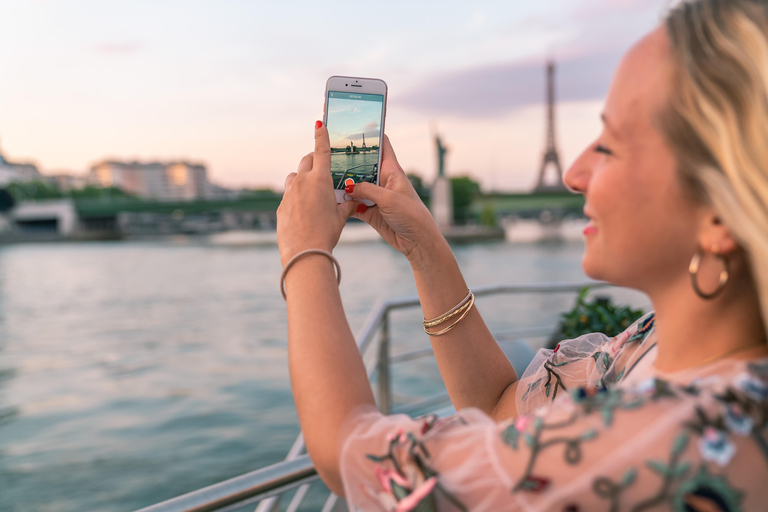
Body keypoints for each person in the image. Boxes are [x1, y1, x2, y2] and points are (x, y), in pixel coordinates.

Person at [276, 0, 768, 509]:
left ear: (718, 212)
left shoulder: (667, 441)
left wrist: (305, 251)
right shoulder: (658, 346)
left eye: (610, 145)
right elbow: (499, 408)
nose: (574, 174)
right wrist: (423, 244)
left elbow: (351, 455)